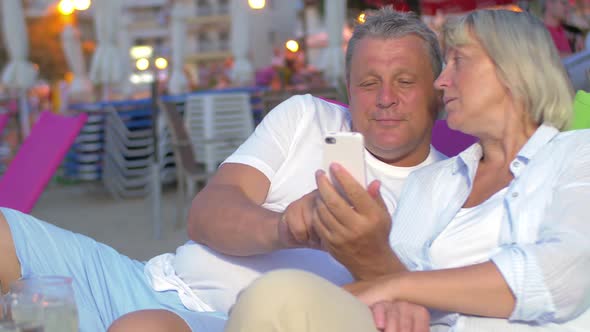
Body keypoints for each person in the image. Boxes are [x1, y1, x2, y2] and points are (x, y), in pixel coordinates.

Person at [0, 7, 446, 332]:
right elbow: (207, 212)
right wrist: (287, 228)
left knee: (144, 328)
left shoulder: (452, 188)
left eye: (405, 82)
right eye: (369, 84)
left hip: (227, 319)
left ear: (437, 93)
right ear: (347, 90)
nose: (385, 97)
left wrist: (360, 249)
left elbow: (423, 304)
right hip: (145, 278)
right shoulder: (304, 116)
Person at [224, 9, 590, 332]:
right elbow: (394, 280)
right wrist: (369, 258)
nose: (441, 81)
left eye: (458, 62)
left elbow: (559, 277)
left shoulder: (577, 153)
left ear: (515, 70)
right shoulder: (432, 182)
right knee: (273, 299)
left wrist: (396, 289)